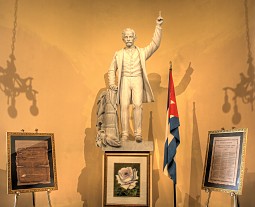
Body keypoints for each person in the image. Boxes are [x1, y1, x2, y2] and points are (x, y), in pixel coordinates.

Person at [108, 14, 163, 143]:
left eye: (130, 36)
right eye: (126, 37)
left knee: (138, 105)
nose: (128, 39)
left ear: (135, 38)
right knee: (124, 106)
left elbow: (155, 44)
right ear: (123, 39)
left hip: (137, 78)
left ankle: (138, 133)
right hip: (125, 80)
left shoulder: (142, 52)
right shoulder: (118, 54)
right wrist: (112, 83)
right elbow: (111, 69)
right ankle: (125, 134)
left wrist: (158, 27)